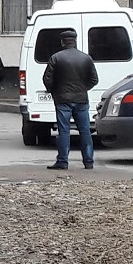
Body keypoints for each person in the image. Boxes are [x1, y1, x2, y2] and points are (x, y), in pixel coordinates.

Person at [43, 29, 99, 170]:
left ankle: (63, 161)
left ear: (62, 42)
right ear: (75, 41)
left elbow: (47, 79)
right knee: (85, 131)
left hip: (62, 99)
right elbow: (94, 79)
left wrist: (54, 90)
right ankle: (88, 162)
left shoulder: (56, 57)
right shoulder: (86, 58)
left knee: (64, 131)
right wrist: (82, 88)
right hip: (81, 99)